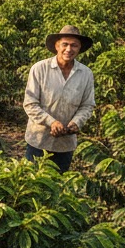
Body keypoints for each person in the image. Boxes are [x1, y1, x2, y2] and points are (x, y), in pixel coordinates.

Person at [24, 25, 96, 173]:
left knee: (58, 186)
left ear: (79, 48)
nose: (69, 49)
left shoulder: (86, 74)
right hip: (39, 140)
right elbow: (30, 103)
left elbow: (87, 105)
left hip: (65, 143)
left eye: (74, 45)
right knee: (33, 184)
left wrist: (77, 122)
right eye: (65, 44)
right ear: (57, 46)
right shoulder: (39, 69)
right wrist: (52, 122)